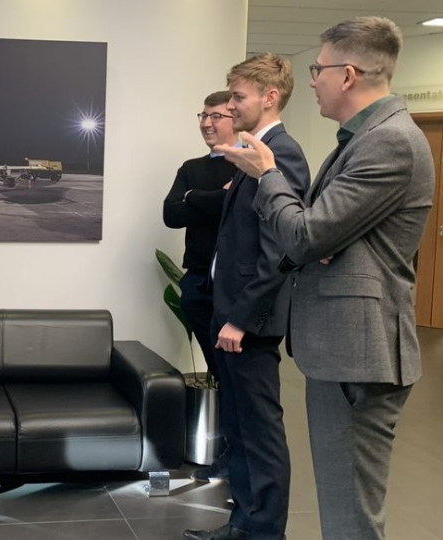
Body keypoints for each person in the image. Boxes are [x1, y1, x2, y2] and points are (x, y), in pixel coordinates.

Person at [216, 17, 434, 540]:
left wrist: (267, 175)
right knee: (343, 503)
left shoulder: (389, 142)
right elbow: (321, 237)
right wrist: (316, 244)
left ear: (348, 74)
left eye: (318, 69)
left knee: (349, 514)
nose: (310, 80)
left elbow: (305, 235)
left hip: (359, 350)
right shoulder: (360, 140)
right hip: (342, 347)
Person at [184, 54, 310, 540]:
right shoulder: (252, 148)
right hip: (228, 314)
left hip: (247, 323)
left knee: (259, 435)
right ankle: (243, 524)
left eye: (238, 97)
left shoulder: (282, 153)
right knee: (238, 430)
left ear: (269, 97)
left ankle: (263, 532)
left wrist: (242, 318)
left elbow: (280, 247)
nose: (230, 107)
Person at [163, 90, 237, 483]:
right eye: (203, 115)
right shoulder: (192, 167)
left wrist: (195, 199)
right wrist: (208, 197)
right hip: (196, 284)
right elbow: (170, 215)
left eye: (217, 116)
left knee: (235, 375)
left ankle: (236, 453)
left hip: (232, 288)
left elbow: (235, 209)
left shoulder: (247, 165)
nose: (207, 123)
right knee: (218, 370)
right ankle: (230, 450)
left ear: (236, 117)